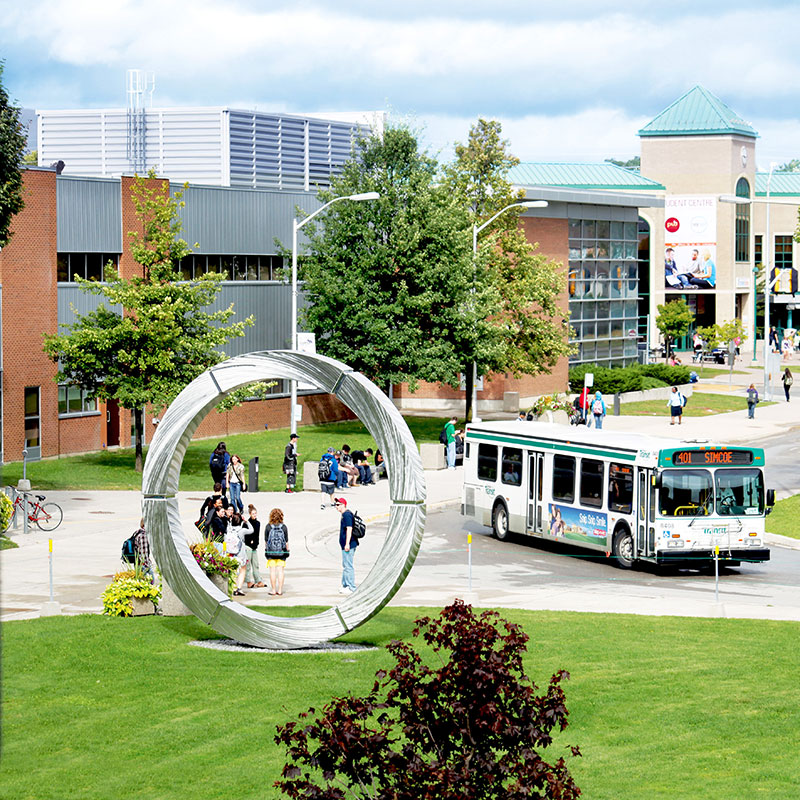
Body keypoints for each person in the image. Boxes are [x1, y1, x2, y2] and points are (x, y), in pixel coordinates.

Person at [264, 507, 289, 596]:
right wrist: (287, 551)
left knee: (272, 571)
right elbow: (286, 541)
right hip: (281, 553)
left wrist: (266, 551)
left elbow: (266, 541)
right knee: (281, 571)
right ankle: (280, 590)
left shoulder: (268, 527)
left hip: (271, 553)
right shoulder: (284, 527)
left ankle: (273, 590)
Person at [335, 497, 357, 593]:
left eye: (338, 504)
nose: (336, 506)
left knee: (348, 566)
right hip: (345, 544)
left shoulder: (347, 515)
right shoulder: (344, 515)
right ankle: (344, 585)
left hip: (349, 544)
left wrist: (347, 543)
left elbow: (349, 529)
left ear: (343, 505)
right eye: (336, 505)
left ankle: (351, 587)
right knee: (345, 565)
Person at [225, 512, 250, 596]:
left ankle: (233, 587)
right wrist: (246, 521)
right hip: (241, 554)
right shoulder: (241, 530)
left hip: (231, 553)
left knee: (233, 571)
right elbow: (251, 530)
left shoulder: (229, 529)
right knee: (242, 570)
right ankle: (239, 588)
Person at [244, 504, 264, 589]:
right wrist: (250, 542)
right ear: (250, 514)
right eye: (253, 514)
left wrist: (256, 543)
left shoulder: (258, 523)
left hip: (254, 546)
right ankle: (248, 581)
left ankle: (258, 580)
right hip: (248, 546)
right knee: (248, 565)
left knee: (255, 564)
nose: (255, 515)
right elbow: (245, 534)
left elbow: (257, 534)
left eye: (256, 513)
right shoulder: (246, 523)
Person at [132, 519, 156, 584]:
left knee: (142, 585)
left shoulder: (138, 532)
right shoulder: (143, 535)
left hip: (138, 563)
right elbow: (143, 552)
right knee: (151, 582)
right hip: (142, 564)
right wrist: (147, 564)